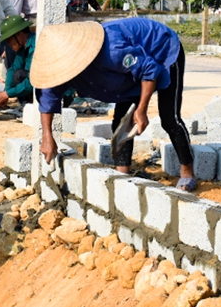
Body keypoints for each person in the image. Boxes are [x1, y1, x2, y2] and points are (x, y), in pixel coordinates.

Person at [31, 18, 198, 190]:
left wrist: (141, 109)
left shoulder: (111, 50)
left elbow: (149, 70)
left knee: (170, 119)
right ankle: (122, 175)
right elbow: (47, 96)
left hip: (162, 48)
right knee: (121, 121)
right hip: (132, 68)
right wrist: (47, 136)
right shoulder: (61, 65)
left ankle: (187, 172)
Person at [0, 15, 35, 109]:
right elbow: (13, 69)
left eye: (9, 40)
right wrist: (6, 92)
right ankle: (27, 105)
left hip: (52, 86)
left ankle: (31, 105)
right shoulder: (22, 48)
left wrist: (7, 94)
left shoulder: (35, 47)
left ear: (18, 34)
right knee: (17, 74)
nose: (8, 44)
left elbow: (33, 81)